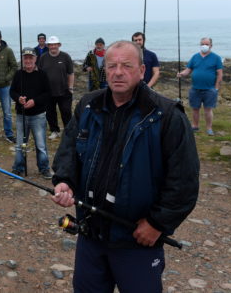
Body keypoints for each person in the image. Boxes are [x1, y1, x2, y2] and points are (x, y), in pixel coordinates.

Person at [51, 40, 199, 292]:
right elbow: (68, 153)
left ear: (142, 71)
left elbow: (184, 181)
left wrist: (157, 224)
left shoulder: (167, 115)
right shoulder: (88, 105)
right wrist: (65, 182)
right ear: (105, 70)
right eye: (112, 66)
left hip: (136, 242)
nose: (118, 72)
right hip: (90, 236)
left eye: (127, 66)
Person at [10, 47, 52, 179]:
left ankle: (44, 168)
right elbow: (12, 91)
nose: (28, 60)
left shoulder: (42, 74)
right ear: (22, 59)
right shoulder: (18, 74)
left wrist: (35, 101)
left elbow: (48, 93)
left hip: (38, 115)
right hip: (21, 115)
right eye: (25, 58)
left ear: (35, 59)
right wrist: (18, 98)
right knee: (20, 144)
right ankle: (18, 168)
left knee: (40, 145)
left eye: (30, 58)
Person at [177, 37, 223, 135]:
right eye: (202, 44)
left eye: (206, 44)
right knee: (195, 108)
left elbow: (219, 73)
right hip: (195, 88)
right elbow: (188, 70)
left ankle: (209, 128)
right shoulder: (195, 57)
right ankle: (195, 126)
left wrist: (216, 87)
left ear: (211, 45)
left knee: (208, 109)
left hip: (210, 89)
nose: (204, 46)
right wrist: (181, 74)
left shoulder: (216, 58)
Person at [38, 35, 74, 140]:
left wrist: (71, 88)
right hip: (48, 92)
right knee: (50, 113)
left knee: (66, 112)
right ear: (48, 46)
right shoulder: (43, 57)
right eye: (51, 45)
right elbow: (40, 74)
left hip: (64, 91)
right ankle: (55, 130)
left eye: (55, 44)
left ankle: (68, 131)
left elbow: (70, 73)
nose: (53, 46)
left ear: (59, 45)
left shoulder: (65, 56)